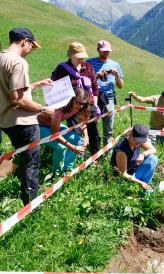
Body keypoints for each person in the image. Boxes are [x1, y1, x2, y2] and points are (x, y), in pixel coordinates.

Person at [0, 28, 55, 205]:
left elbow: (10, 88)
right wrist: (44, 109)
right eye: (32, 45)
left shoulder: (2, 57)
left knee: (25, 158)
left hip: (5, 120)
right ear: (24, 41)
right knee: (32, 163)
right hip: (23, 121)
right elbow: (17, 99)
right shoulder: (19, 62)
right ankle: (30, 205)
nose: (32, 50)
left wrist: (38, 84)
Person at [51, 42, 101, 155]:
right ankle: (78, 154)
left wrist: (95, 104)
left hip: (89, 104)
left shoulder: (88, 67)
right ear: (70, 55)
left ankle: (95, 155)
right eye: (78, 57)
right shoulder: (62, 69)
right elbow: (54, 87)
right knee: (76, 131)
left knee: (93, 131)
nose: (81, 59)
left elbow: (95, 86)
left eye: (83, 56)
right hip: (72, 107)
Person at [38, 88, 90, 174]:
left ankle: (66, 170)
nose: (80, 106)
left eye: (83, 104)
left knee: (78, 140)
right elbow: (55, 134)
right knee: (60, 147)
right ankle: (57, 173)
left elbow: (83, 121)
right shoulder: (59, 109)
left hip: (54, 125)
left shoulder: (80, 107)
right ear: (72, 99)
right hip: (39, 127)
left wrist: (86, 137)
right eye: (78, 103)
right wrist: (73, 148)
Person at [87, 40, 124, 145]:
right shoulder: (90, 63)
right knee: (91, 124)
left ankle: (107, 151)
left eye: (108, 51)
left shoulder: (115, 65)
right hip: (93, 96)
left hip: (109, 98)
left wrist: (117, 76)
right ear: (98, 50)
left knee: (108, 127)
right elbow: (85, 81)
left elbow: (120, 86)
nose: (106, 53)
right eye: (103, 51)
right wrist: (97, 76)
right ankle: (93, 149)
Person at [129, 86, 164, 151]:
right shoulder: (156, 98)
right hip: (155, 127)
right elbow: (142, 100)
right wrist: (135, 96)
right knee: (161, 144)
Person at [111, 124, 158, 190]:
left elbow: (153, 150)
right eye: (137, 141)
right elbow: (123, 174)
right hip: (125, 178)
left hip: (134, 172)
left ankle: (144, 185)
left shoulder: (138, 141)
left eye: (141, 142)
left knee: (153, 158)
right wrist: (140, 182)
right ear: (130, 134)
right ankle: (141, 186)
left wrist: (142, 154)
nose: (138, 144)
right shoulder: (121, 150)